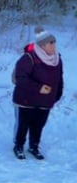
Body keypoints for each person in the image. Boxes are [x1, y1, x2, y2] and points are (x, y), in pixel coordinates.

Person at [11, 28, 63, 160]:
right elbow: (21, 78)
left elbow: (59, 78)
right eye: (50, 43)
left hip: (45, 100)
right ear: (42, 45)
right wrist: (39, 88)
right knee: (23, 124)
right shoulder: (28, 58)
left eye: (54, 42)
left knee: (39, 124)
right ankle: (18, 146)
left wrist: (57, 94)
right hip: (26, 99)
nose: (53, 45)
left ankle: (34, 146)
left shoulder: (57, 59)